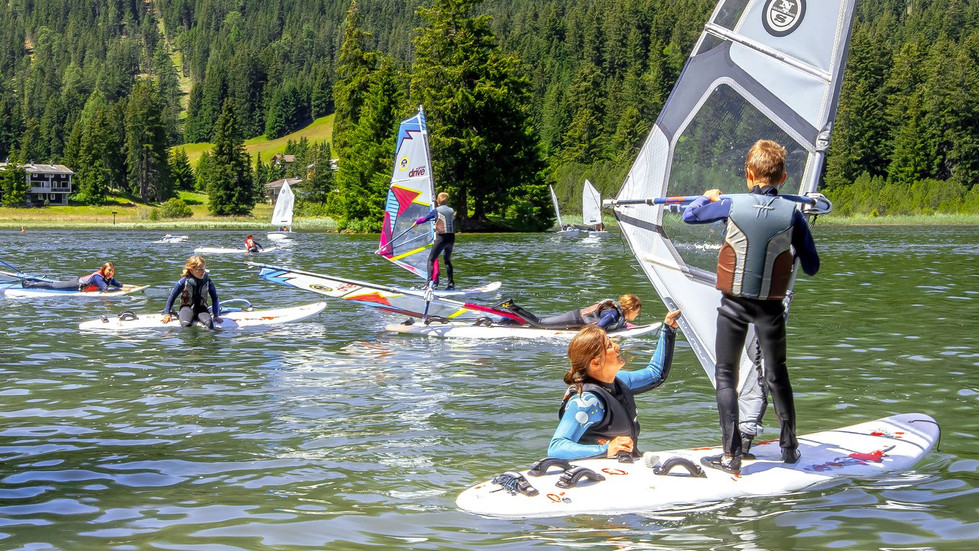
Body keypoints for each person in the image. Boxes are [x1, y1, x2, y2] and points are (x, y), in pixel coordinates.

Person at [682, 139, 819, 475]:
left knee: (726, 375)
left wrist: (708, 198)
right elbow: (813, 266)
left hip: (733, 306)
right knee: (777, 375)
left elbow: (690, 215)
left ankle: (731, 455)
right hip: (769, 311)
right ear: (783, 177)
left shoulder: (730, 204)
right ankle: (790, 448)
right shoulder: (794, 215)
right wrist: (794, 242)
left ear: (748, 174)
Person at [547, 310, 681, 460]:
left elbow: (655, 373)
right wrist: (606, 448)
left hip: (625, 465)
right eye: (609, 346)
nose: (617, 346)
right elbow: (557, 448)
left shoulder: (618, 380)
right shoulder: (586, 401)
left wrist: (668, 329)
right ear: (596, 363)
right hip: (596, 475)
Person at [503, 294, 642, 331]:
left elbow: (616, 324)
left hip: (576, 318)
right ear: (630, 309)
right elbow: (598, 328)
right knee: (539, 323)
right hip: (575, 319)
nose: (637, 315)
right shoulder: (613, 315)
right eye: (637, 311)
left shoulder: (617, 315)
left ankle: (512, 320)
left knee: (543, 321)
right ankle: (511, 306)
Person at [162, 256, 221, 328]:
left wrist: (216, 315)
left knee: (209, 324)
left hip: (201, 309)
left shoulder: (208, 281)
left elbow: (215, 298)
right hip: (186, 308)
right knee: (185, 325)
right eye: (200, 269)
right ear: (191, 270)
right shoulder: (183, 281)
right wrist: (167, 314)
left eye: (204, 269)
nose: (203, 272)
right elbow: (172, 297)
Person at [412, 191, 455, 289]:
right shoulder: (452, 210)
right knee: (447, 260)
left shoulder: (436, 210)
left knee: (431, 260)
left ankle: (429, 284)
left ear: (437, 201)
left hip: (442, 238)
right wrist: (437, 226)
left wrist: (417, 222)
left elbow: (425, 219)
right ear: (447, 201)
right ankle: (451, 284)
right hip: (451, 238)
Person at [21, 262, 123, 292]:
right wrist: (123, 290)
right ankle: (28, 284)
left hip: (78, 284)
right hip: (76, 284)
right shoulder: (98, 277)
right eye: (109, 270)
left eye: (112, 271)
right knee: (52, 285)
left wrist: (126, 287)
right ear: (103, 270)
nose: (110, 273)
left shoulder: (109, 278)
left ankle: (32, 280)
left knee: (53, 284)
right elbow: (105, 289)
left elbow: (119, 284)